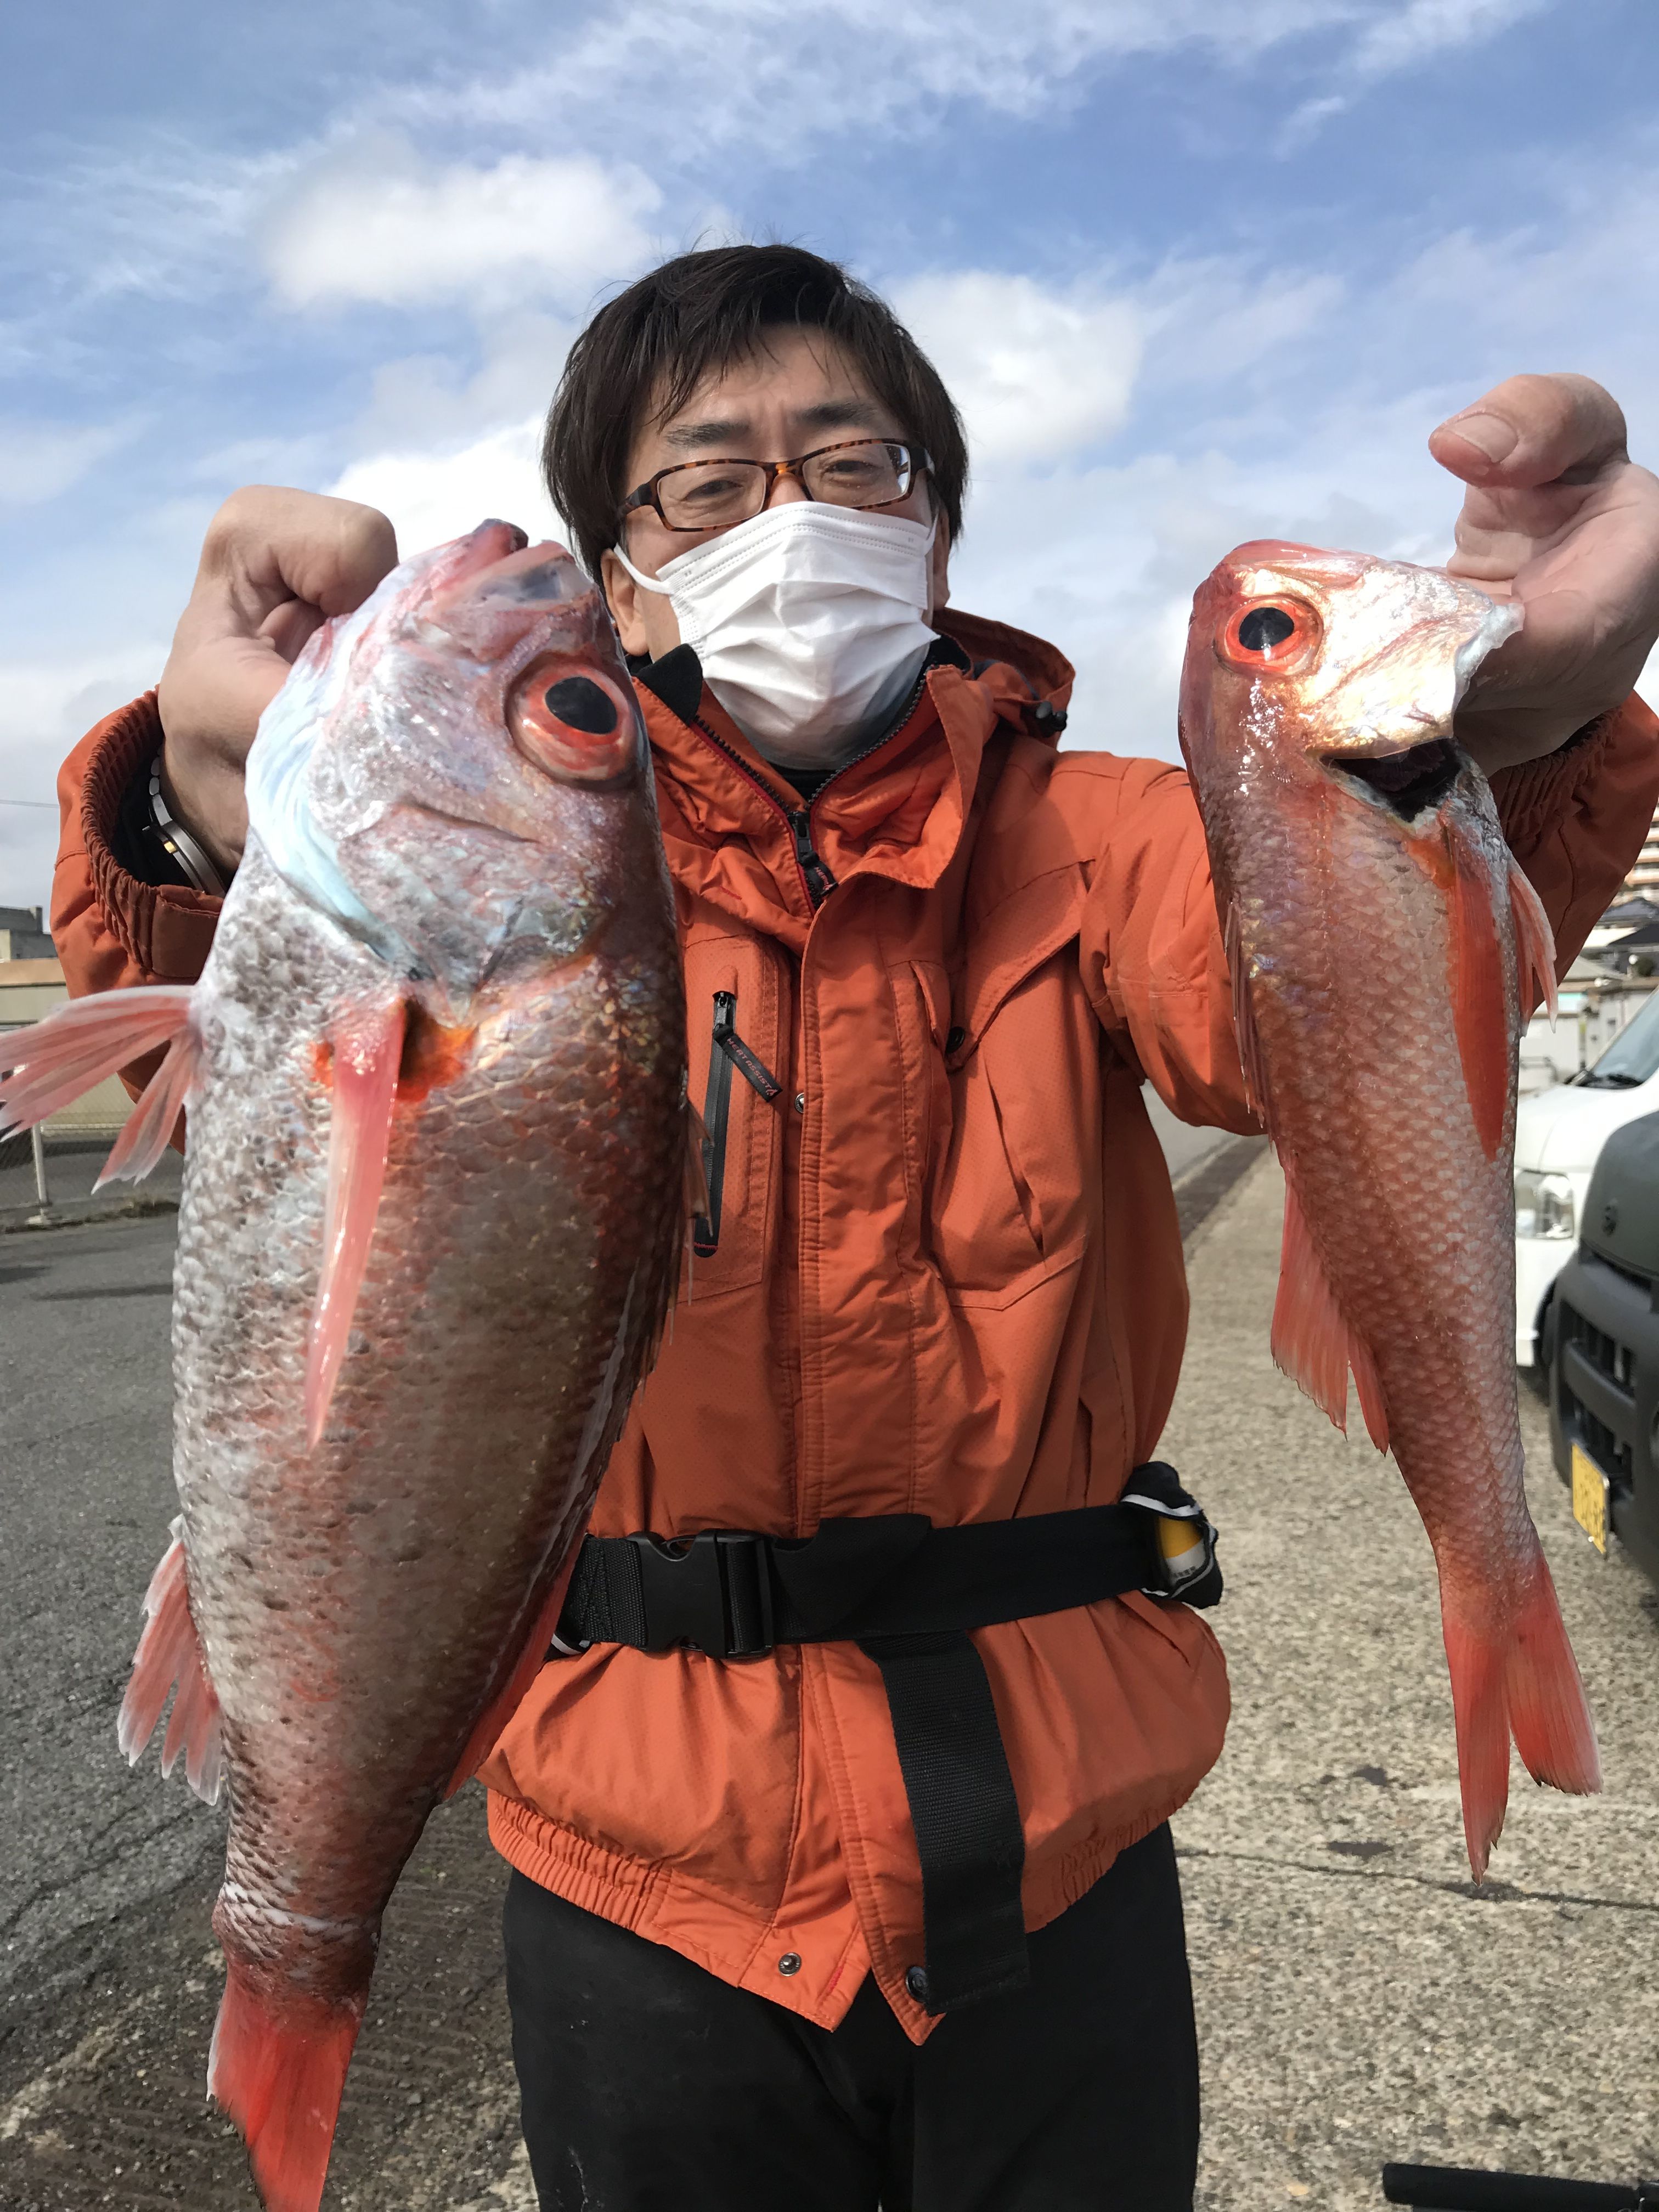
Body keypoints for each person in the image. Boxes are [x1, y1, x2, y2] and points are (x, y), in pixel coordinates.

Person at [51, 246, 1659, 2210]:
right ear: (626, 580)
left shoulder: (1105, 836)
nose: (793, 515)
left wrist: (1509, 738)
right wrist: (188, 807)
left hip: (1063, 1837)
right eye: (706, 482)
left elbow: (1326, 1012)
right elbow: (241, 1056)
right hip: (640, 1876)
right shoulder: (556, 849)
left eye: (856, 463)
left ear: (938, 527)